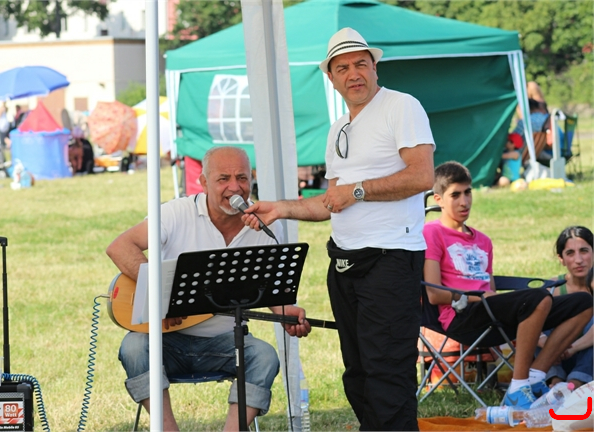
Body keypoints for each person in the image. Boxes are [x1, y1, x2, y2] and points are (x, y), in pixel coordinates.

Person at [242, 27, 435, 431]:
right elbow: (332, 201)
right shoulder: (337, 128)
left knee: (387, 371)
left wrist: (358, 190)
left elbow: (421, 177)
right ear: (331, 78)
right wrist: (280, 208)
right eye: (342, 68)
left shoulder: (402, 106)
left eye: (361, 64)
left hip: (390, 258)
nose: (353, 74)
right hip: (344, 262)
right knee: (358, 373)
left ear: (375, 67)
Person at [106, 146, 312, 431]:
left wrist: (285, 311)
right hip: (168, 341)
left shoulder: (261, 226)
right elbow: (120, 246)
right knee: (134, 347)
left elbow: (265, 287)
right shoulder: (176, 213)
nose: (234, 187)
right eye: (223, 178)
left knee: (264, 356)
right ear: (203, 182)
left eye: (242, 178)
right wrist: (164, 299)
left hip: (227, 343)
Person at [422, 161, 592, 409]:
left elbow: (489, 286)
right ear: (438, 199)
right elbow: (434, 293)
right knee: (537, 297)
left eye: (468, 192)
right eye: (455, 195)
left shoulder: (483, 241)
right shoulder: (432, 232)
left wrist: (489, 297)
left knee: (584, 302)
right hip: (461, 316)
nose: (464, 202)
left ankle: (535, 377)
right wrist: (481, 298)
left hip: (491, 315)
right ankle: (518, 386)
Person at [538, 227, 593, 389]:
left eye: (584, 251)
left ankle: (575, 383)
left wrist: (570, 348)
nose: (578, 260)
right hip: (554, 359)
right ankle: (554, 381)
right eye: (570, 253)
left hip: (587, 359)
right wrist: (548, 345)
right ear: (561, 259)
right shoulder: (552, 288)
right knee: (536, 322)